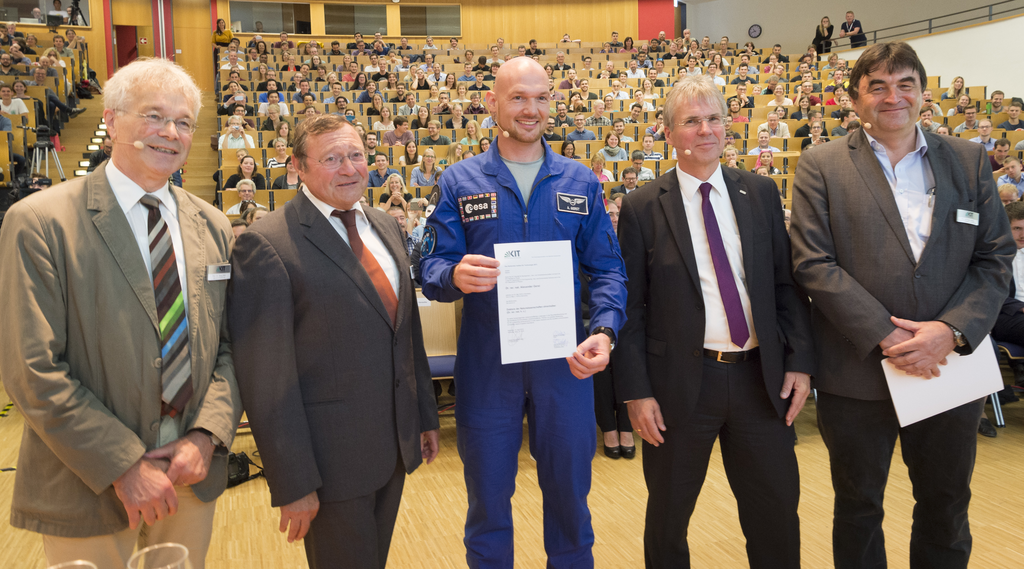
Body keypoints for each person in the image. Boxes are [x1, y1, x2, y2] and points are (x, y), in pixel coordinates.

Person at [0, 58, 241, 569]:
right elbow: (32, 369)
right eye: (153, 116)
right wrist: (123, 464)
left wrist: (207, 435)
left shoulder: (213, 225)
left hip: (188, 479)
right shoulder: (40, 222)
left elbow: (228, 347)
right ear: (111, 120)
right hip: (87, 481)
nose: (169, 133)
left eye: (182, 122)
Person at [790, 41, 1014, 569]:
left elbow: (995, 257)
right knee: (859, 508)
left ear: (924, 94)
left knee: (945, 506)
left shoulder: (967, 159)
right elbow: (812, 263)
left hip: (948, 368)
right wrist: (888, 336)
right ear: (855, 99)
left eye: (905, 84)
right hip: (858, 370)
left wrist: (951, 331)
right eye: (878, 87)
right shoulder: (821, 164)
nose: (893, 97)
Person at [420, 57, 627, 569]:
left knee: (570, 502)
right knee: (488, 504)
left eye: (540, 98)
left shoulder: (579, 181)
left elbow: (608, 270)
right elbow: (430, 266)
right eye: (517, 97)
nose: (530, 109)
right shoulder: (459, 181)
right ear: (493, 103)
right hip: (489, 365)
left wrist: (604, 329)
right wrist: (452, 276)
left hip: (566, 364)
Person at [613, 74, 812, 569]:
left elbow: (785, 287)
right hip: (680, 386)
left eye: (713, 119)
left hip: (759, 381)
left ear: (727, 127)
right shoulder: (641, 207)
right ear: (668, 134)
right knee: (668, 518)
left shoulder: (762, 193)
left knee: (776, 515)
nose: (705, 130)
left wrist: (800, 362)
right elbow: (631, 310)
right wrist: (636, 392)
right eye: (691, 122)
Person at [228, 113, 439, 569]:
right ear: (298, 167)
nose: (350, 168)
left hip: (392, 448)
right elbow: (267, 380)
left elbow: (405, 335)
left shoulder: (383, 224)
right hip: (328, 465)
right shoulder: (267, 244)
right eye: (332, 158)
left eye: (357, 155)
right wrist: (292, 480)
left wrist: (423, 416)